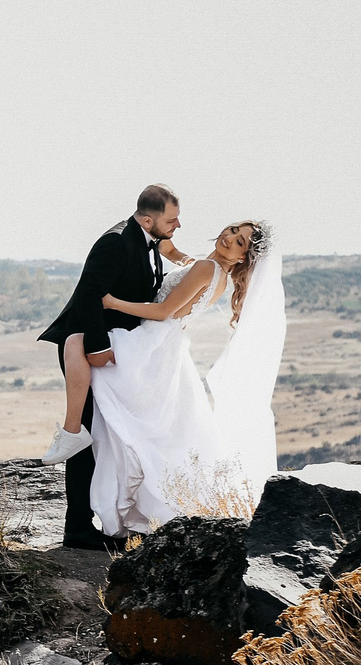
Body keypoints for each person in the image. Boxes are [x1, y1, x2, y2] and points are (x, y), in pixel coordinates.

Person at [85, 219, 284, 537]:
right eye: (234, 230)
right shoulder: (215, 273)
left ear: (243, 258)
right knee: (157, 432)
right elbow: (174, 253)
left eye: (241, 242)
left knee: (86, 356)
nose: (230, 238)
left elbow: (164, 311)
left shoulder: (206, 268)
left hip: (151, 344)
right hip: (168, 349)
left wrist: (110, 302)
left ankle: (71, 434)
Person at [36, 185, 189, 548]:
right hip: (88, 348)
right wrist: (100, 347)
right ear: (148, 218)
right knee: (85, 434)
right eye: (172, 219)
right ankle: (77, 529)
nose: (178, 225)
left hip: (118, 350)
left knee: (107, 434)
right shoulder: (117, 242)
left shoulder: (149, 240)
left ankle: (106, 515)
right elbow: (90, 295)